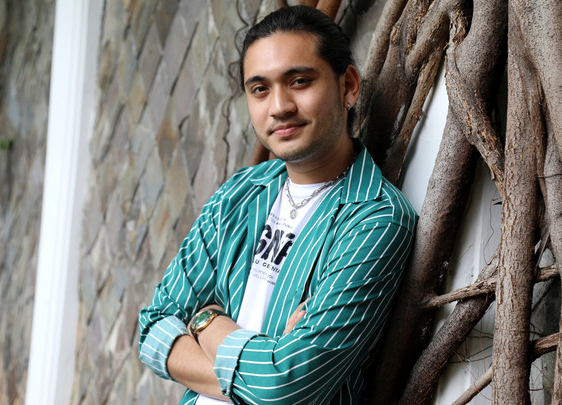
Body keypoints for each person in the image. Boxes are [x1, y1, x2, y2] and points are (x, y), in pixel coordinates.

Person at [138, 5, 417, 404]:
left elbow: (286, 387)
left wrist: (205, 322)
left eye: (299, 81)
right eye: (260, 89)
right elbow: (153, 326)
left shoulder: (376, 219)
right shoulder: (240, 193)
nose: (279, 106)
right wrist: (262, 368)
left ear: (348, 86)